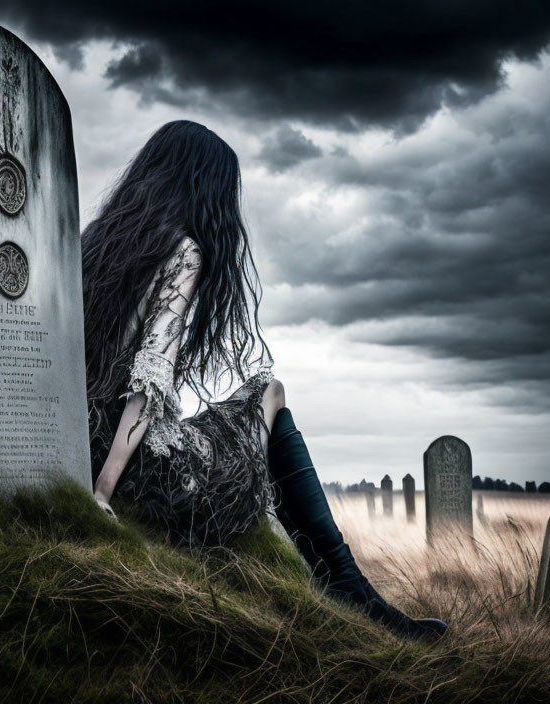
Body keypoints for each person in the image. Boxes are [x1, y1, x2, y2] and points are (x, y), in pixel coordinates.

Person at [81, 120, 447, 643]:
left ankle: (346, 587)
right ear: (204, 188)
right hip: (149, 473)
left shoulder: (99, 245)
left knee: (254, 406)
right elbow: (150, 383)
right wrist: (101, 494)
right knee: (269, 391)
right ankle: (351, 589)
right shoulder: (184, 251)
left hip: (91, 443)